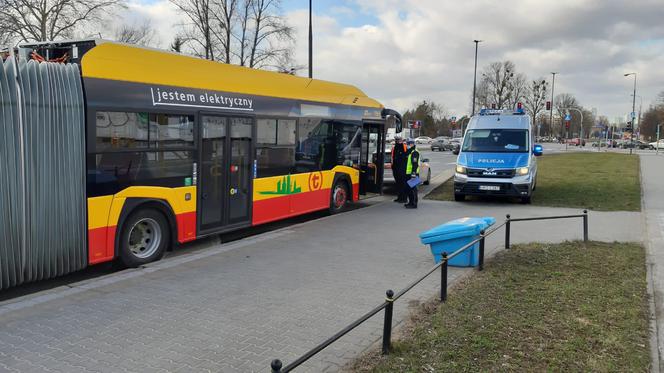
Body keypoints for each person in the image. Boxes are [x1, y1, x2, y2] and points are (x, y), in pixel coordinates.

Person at [390, 135, 408, 202]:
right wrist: (393, 166)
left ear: (401, 140)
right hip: (396, 169)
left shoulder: (404, 147)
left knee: (403, 184)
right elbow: (393, 158)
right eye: (396, 140)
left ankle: (404, 198)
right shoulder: (395, 148)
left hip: (402, 169)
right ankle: (399, 197)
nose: (397, 141)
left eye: (398, 140)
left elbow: (405, 158)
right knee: (398, 184)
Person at [404, 138, 420, 209]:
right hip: (409, 173)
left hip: (413, 174)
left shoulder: (414, 152)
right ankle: (410, 202)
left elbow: (415, 164)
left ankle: (413, 204)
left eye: (408, 144)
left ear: (412, 144)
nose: (407, 145)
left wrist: (413, 173)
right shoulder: (411, 151)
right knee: (409, 189)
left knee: (412, 189)